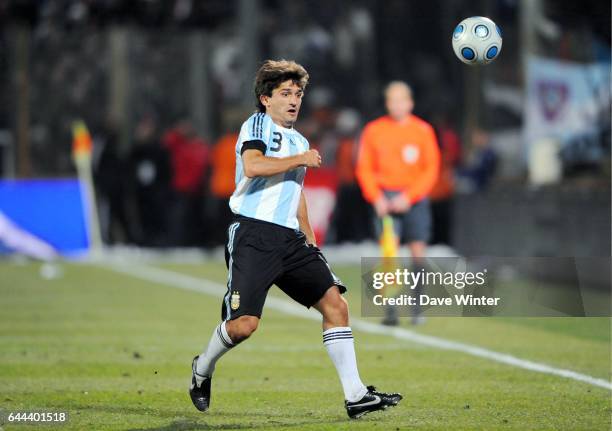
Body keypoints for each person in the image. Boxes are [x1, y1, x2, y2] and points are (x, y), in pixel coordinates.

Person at [189, 60, 402, 419]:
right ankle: (202, 368)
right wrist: (298, 158)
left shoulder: (300, 140)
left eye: (298, 94)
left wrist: (309, 239)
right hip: (253, 234)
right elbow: (254, 165)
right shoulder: (256, 125)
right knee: (244, 326)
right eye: (285, 93)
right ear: (265, 99)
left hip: (290, 241)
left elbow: (296, 192)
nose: (293, 100)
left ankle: (355, 395)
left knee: (336, 305)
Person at [356, 81, 440, 326]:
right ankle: (391, 310)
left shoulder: (423, 131)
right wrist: (377, 198)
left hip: (413, 199)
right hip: (385, 198)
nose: (397, 105)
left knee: (417, 254)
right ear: (387, 103)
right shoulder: (374, 130)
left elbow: (431, 170)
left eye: (401, 100)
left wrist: (409, 197)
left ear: (410, 103)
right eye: (392, 100)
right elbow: (364, 168)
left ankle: (417, 308)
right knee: (389, 255)